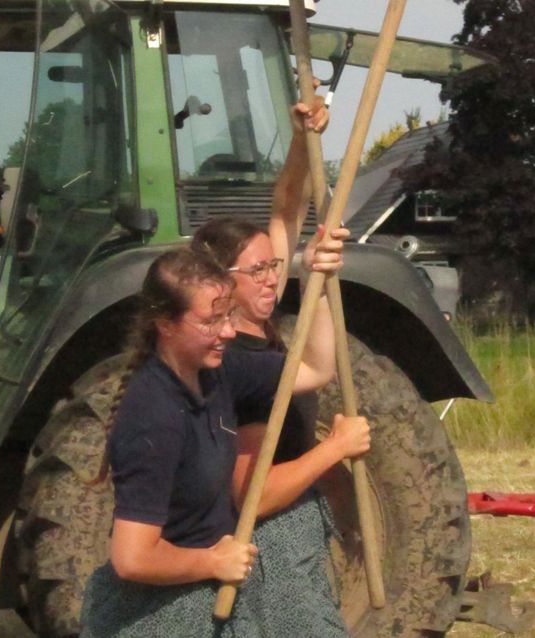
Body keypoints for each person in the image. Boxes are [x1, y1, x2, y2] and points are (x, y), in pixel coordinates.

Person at [80, 245, 365, 637]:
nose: (228, 332)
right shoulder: (152, 416)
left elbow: (314, 368)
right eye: (211, 321)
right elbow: (132, 559)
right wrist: (211, 563)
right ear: (165, 324)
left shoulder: (219, 372)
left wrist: (314, 281)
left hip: (209, 596)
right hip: (152, 615)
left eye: (228, 316)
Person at [190, 98, 361, 636]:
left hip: (292, 532)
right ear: (221, 283)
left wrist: (300, 138)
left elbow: (286, 207)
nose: (271, 277)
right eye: (258, 269)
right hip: (267, 546)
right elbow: (252, 494)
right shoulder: (235, 364)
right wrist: (333, 451)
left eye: (274, 265)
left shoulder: (257, 329)